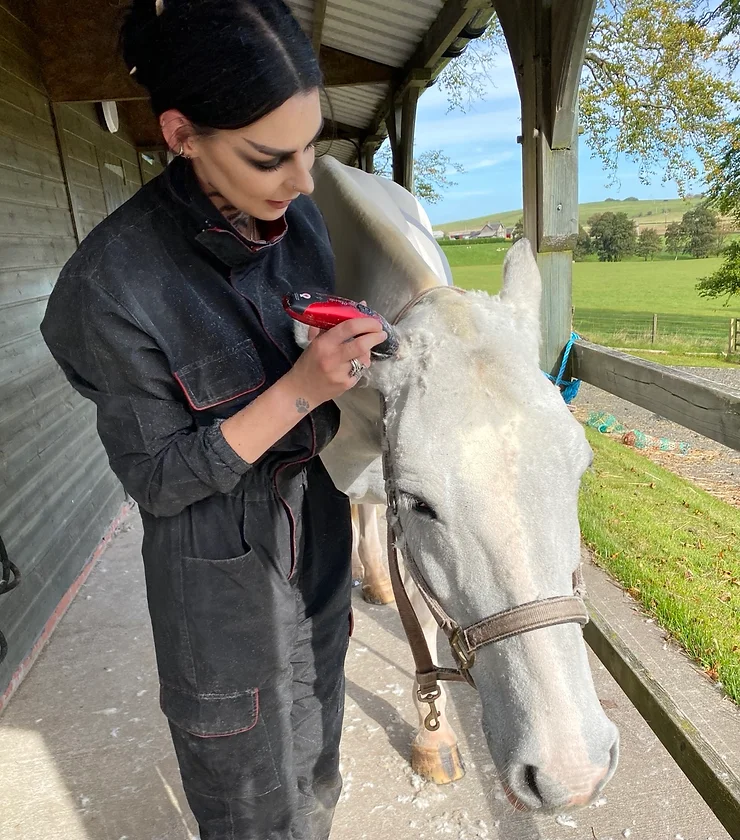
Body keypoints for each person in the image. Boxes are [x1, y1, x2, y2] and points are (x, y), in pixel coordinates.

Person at [40, 1, 387, 837]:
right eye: (270, 157)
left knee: (319, 771)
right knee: (250, 807)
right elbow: (157, 478)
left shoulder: (301, 218)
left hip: (318, 532)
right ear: (181, 134)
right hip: (217, 580)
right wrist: (300, 389)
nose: (303, 181)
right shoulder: (112, 283)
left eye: (310, 146)